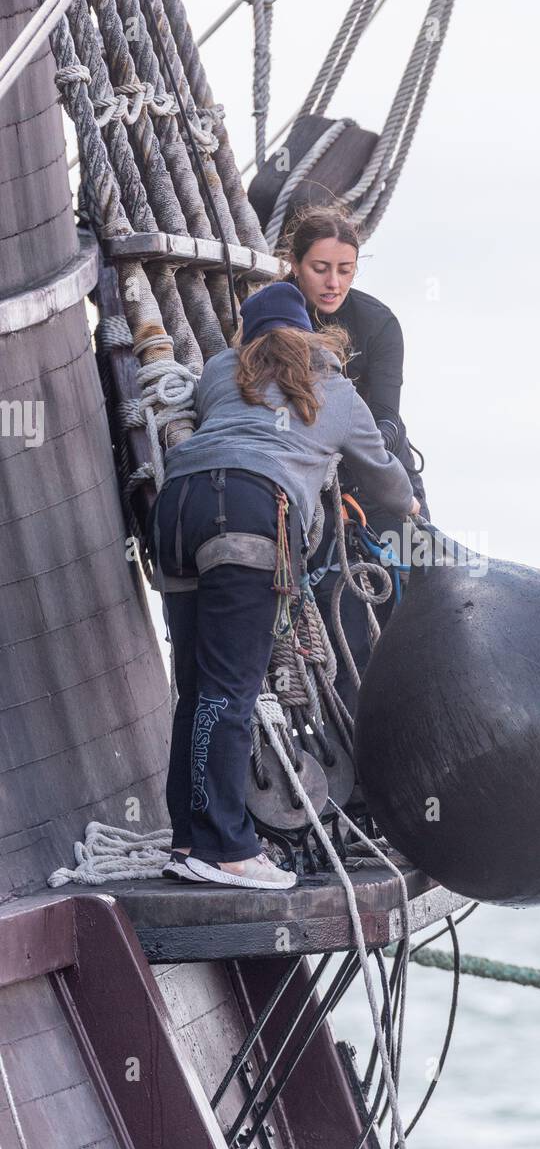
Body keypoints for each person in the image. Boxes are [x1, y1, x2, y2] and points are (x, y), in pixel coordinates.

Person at [145, 281, 419, 890]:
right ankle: (226, 851)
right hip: (248, 513)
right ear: (312, 334)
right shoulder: (339, 393)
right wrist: (409, 509)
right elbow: (385, 481)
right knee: (231, 689)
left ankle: (189, 838)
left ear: (246, 332)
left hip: (176, 508)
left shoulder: (219, 371)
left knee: (194, 686)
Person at [282, 204, 428, 706]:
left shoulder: (378, 323)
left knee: (417, 606)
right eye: (320, 269)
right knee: (340, 624)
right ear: (295, 263)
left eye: (345, 270)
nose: (333, 282)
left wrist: (357, 450)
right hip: (311, 491)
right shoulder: (275, 317)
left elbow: (387, 414)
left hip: (383, 483)